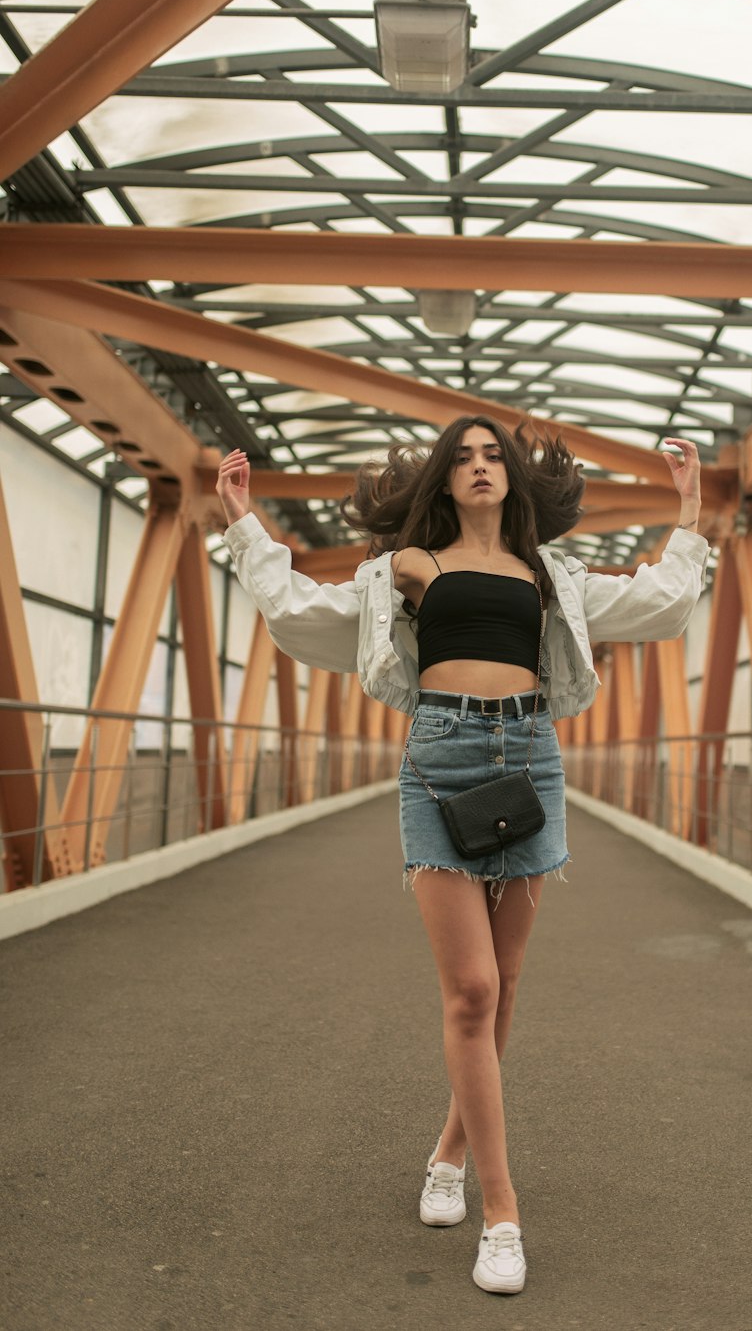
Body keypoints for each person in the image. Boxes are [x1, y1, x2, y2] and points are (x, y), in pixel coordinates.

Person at [216, 417, 707, 1295]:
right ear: (443, 481)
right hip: (437, 764)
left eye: (494, 457)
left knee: (505, 986)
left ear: (513, 480)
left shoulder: (549, 576)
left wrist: (690, 513)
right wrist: (247, 527)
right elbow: (303, 613)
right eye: (465, 459)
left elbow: (660, 605)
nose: (481, 468)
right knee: (472, 990)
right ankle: (502, 1210)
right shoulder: (406, 571)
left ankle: (448, 1151)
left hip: (530, 763)